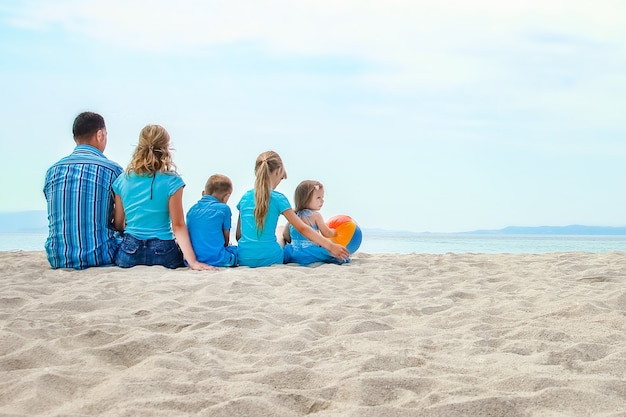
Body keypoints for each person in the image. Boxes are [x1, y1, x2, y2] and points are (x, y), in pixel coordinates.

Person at [112, 124, 214, 271]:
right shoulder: (173, 181)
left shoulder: (123, 180)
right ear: (166, 149)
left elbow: (119, 224)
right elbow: (178, 225)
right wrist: (193, 261)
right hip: (162, 251)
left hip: (129, 252)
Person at [235, 150, 349, 267]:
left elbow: (239, 235)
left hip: (244, 259)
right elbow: (302, 228)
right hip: (271, 259)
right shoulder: (279, 198)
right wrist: (330, 246)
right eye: (281, 178)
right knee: (279, 237)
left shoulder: (245, 197)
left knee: (278, 231)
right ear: (279, 171)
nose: (280, 181)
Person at [44, 111, 123, 269]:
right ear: (100, 134)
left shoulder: (52, 171)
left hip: (58, 257)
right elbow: (121, 223)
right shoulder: (112, 170)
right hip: (100, 255)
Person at [283, 180, 348, 265]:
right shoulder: (316, 215)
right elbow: (326, 233)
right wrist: (334, 232)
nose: (322, 201)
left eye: (322, 197)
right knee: (340, 258)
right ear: (306, 199)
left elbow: (286, 235)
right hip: (309, 253)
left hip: (293, 253)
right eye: (318, 198)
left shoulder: (294, 215)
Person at [186, 174, 238, 267]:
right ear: (227, 197)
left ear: (203, 193)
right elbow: (226, 241)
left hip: (194, 259)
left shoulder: (191, 210)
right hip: (218, 260)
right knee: (237, 251)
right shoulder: (224, 209)